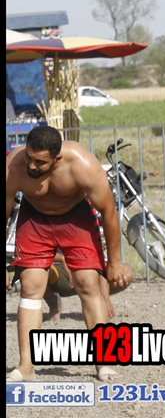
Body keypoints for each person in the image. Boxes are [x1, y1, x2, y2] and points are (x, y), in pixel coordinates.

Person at [5, 125, 133, 382]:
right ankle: (26, 366)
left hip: (76, 218)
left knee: (88, 283)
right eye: (29, 157)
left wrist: (115, 261)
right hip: (34, 219)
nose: (32, 165)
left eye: (40, 162)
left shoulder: (82, 164)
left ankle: (104, 362)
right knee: (30, 285)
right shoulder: (14, 167)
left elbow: (108, 211)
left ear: (57, 157)